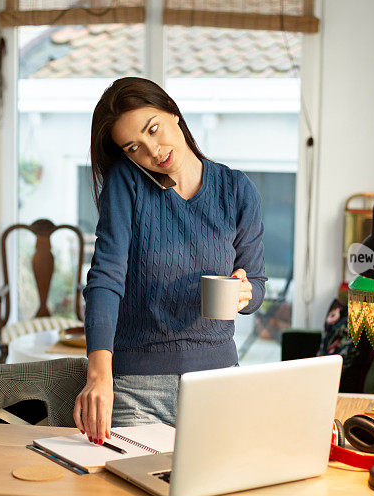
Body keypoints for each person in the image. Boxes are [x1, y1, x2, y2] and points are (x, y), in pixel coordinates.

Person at [74, 77, 267, 445]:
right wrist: (99, 375)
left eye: (154, 129)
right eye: (134, 146)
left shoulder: (237, 190)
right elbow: (105, 279)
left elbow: (256, 284)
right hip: (137, 391)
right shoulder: (126, 184)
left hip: (217, 383)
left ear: (173, 113)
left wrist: (245, 293)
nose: (152, 150)